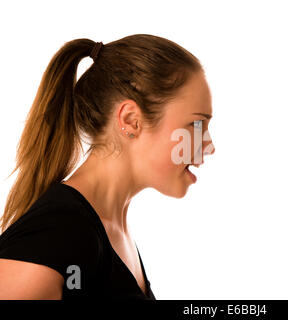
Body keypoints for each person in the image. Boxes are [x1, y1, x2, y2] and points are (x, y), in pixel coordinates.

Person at [0, 34, 215, 300]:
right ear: (131, 120)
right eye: (196, 125)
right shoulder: (58, 231)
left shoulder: (110, 231)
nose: (208, 145)